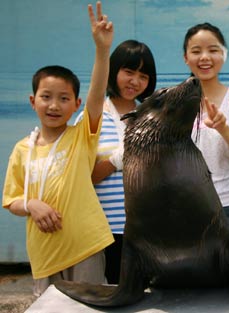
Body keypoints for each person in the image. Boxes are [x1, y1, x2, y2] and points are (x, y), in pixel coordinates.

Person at [2, 2, 114, 296]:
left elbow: (98, 94)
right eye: (46, 96)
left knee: (89, 306)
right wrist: (31, 205)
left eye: (64, 98)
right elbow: (11, 199)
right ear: (32, 100)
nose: (54, 105)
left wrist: (102, 50)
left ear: (76, 105)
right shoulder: (22, 149)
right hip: (45, 253)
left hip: (85, 246)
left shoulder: (81, 137)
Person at [75, 39, 157, 284]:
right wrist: (115, 160)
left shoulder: (150, 117)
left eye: (143, 75)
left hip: (145, 229)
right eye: (128, 72)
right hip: (103, 230)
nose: (135, 81)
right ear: (113, 71)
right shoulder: (94, 116)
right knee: (108, 292)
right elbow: (80, 179)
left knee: (143, 297)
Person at [183, 22, 229, 250]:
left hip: (227, 203)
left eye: (213, 50)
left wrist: (223, 126)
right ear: (186, 58)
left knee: (226, 276)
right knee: (188, 278)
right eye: (196, 51)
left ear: (224, 55)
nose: (205, 57)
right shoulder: (175, 101)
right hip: (185, 203)